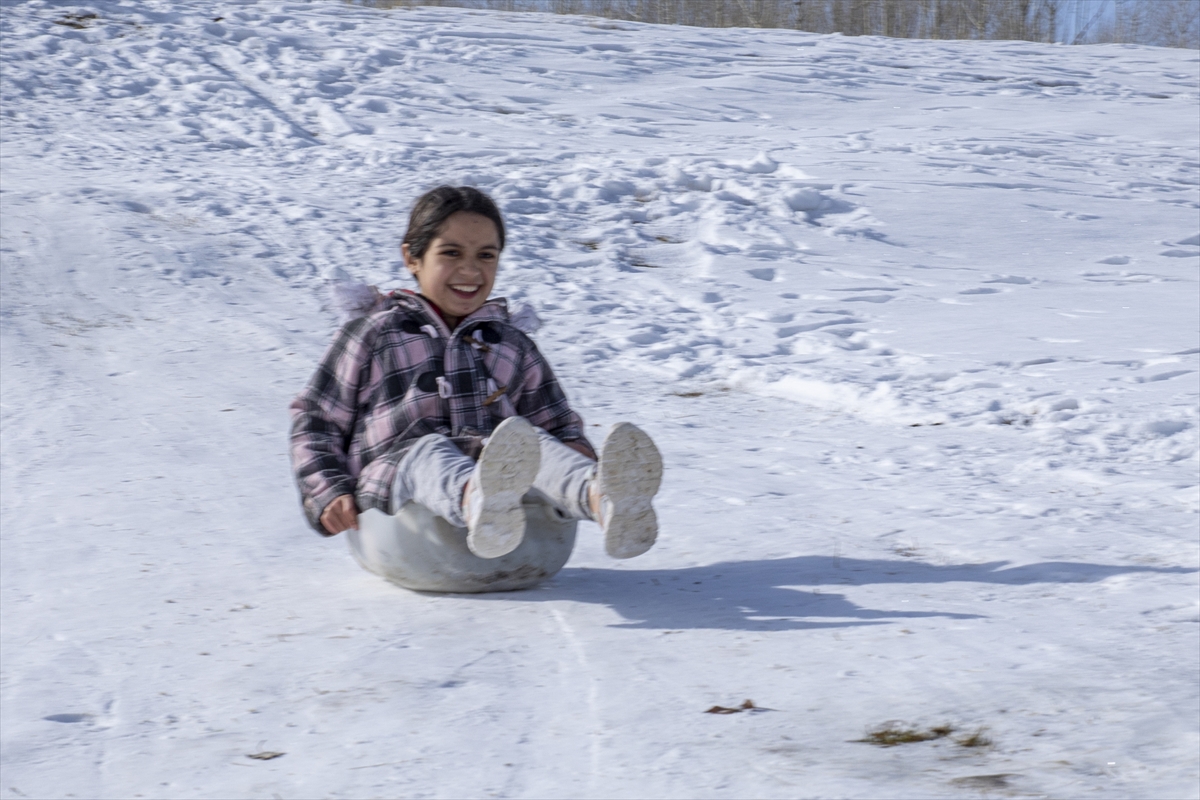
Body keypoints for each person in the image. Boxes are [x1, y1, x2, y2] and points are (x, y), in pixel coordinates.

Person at [289, 185, 663, 560]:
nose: (470, 270)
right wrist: (327, 490)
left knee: (532, 444)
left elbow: (557, 421)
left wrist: (571, 453)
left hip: (519, 544)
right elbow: (317, 419)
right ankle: (479, 500)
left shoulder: (510, 343)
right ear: (412, 257)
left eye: (486, 255)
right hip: (402, 521)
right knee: (429, 450)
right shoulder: (374, 333)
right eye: (451, 253)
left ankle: (607, 500)